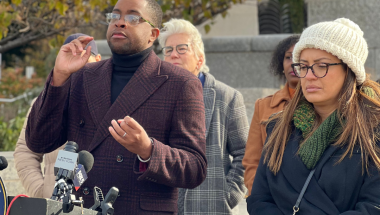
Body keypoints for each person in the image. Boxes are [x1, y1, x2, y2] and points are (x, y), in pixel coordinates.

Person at [25, 0, 207, 214]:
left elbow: (195, 168)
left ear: (153, 34)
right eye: (115, 16)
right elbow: (38, 141)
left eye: (133, 18)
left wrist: (148, 150)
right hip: (81, 208)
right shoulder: (82, 76)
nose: (120, 23)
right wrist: (60, 77)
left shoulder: (180, 83)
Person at [247, 18, 380, 214]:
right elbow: (259, 199)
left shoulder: (372, 128)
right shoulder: (279, 127)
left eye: (321, 65)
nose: (309, 75)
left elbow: (373, 205)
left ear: (349, 70)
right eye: (303, 66)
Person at [158, 18, 248, 215]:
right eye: (168, 50)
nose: (173, 54)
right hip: (161, 207)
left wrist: (226, 196)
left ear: (199, 58)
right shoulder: (154, 97)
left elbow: (247, 155)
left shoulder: (227, 97)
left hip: (209, 208)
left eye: (182, 48)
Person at [14, 33, 101, 198]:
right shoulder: (44, 103)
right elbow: (25, 153)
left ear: (98, 59)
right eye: (71, 58)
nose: (76, 65)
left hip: (95, 203)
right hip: (55, 205)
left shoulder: (108, 102)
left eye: (83, 58)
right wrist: (40, 192)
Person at [242, 35, 300, 195]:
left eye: (299, 57)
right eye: (288, 57)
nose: (293, 63)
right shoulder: (264, 105)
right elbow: (252, 161)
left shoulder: (321, 104)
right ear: (281, 64)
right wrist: (260, 198)